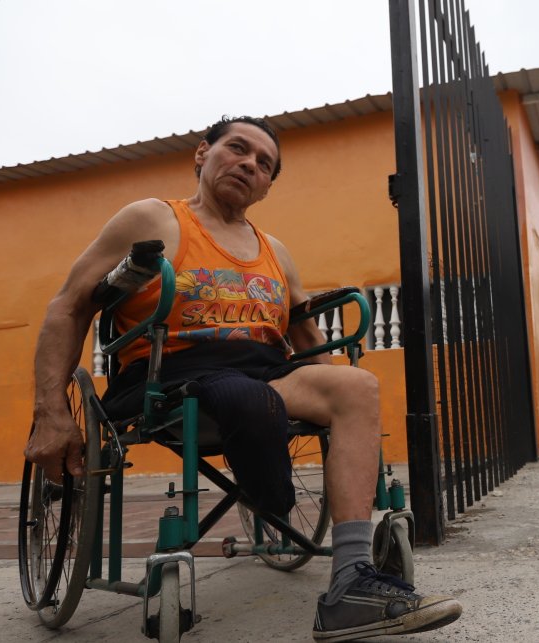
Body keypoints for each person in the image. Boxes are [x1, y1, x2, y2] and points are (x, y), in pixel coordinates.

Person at [24, 115, 462, 641]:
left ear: (268, 186)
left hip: (264, 371)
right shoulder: (153, 219)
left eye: (264, 164)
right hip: (169, 372)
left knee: (357, 387)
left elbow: (303, 334)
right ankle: (271, 496)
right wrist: (49, 411)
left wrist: (334, 413)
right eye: (238, 149)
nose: (249, 164)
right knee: (247, 399)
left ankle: (350, 581)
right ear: (202, 153)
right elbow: (68, 306)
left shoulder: (276, 252)